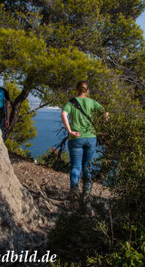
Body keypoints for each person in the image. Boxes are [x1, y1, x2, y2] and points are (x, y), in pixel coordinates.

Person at [61, 81, 108, 210]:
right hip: (91, 138)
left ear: (77, 89)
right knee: (87, 166)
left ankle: (74, 197)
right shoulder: (92, 102)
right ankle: (86, 195)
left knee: (76, 167)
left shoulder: (71, 102)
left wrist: (69, 130)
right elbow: (106, 113)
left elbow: (63, 114)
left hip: (76, 138)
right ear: (87, 90)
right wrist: (101, 125)